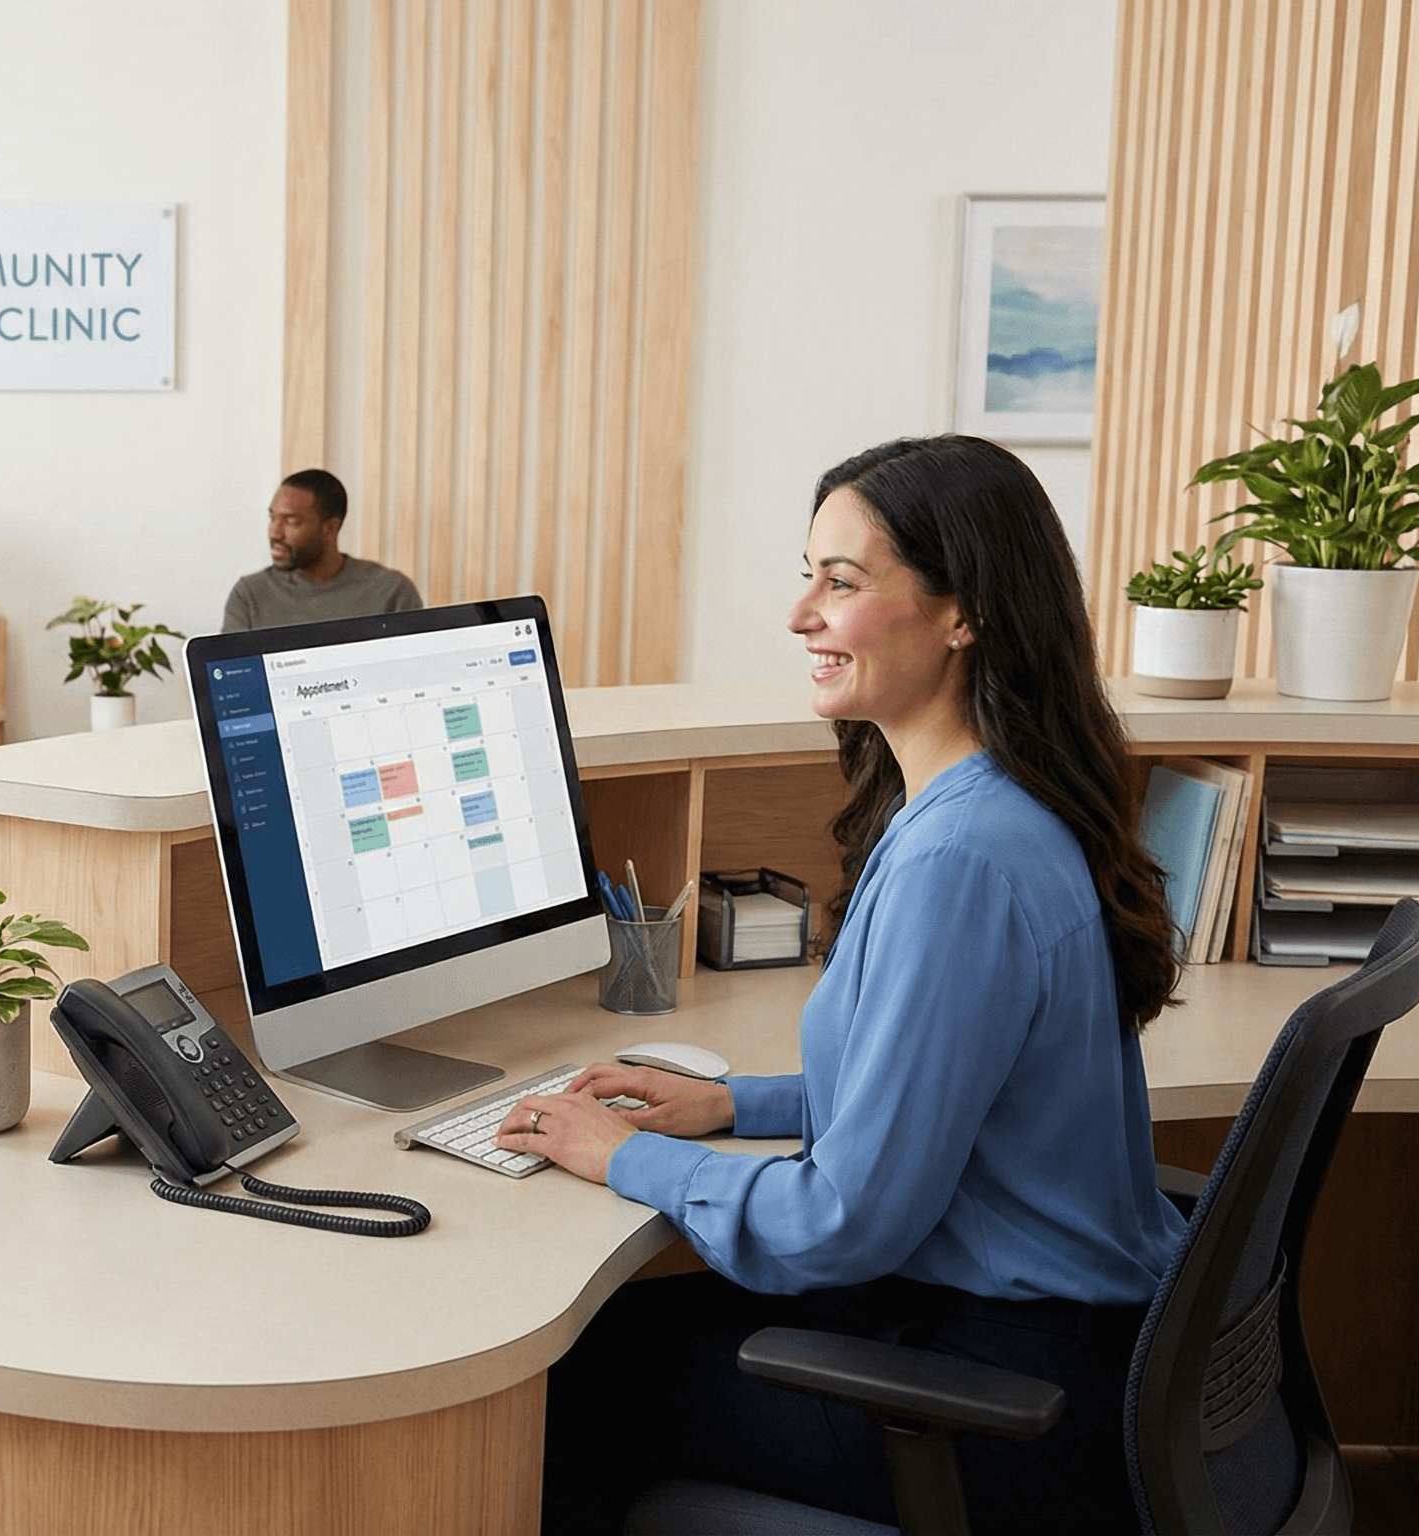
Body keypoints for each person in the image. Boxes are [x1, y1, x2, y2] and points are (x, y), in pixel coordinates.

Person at [496, 437, 1188, 1533]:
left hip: (1008, 1405)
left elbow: (842, 1221)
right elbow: (939, 1099)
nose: (799, 613)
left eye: (843, 582)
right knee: (628, 1338)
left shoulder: (958, 864)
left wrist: (627, 1157)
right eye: (807, 574)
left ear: (962, 613)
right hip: (1064, 1352)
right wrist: (735, 1105)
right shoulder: (996, 808)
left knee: (558, 1389)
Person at [219, 468, 424, 632]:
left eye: (291, 522)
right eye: (273, 518)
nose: (275, 533)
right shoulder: (250, 595)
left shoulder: (391, 592)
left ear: (329, 528)